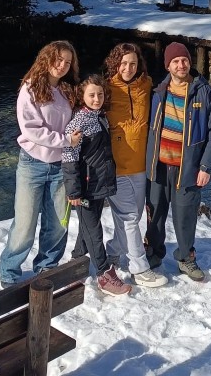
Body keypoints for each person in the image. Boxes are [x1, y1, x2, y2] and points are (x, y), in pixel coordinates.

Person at [0, 40, 79, 288]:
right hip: (32, 164)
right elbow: (31, 130)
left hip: (61, 166)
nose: (62, 65)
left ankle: (47, 268)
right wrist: (66, 141)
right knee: (24, 223)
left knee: (57, 224)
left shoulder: (68, 90)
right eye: (58, 59)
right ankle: (9, 272)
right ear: (47, 59)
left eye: (68, 62)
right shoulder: (31, 88)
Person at [145, 41, 211, 282]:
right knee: (155, 214)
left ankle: (186, 258)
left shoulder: (206, 94)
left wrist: (205, 167)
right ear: (167, 66)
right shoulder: (157, 92)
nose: (181, 65)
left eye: (184, 60)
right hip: (158, 166)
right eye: (175, 61)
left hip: (187, 169)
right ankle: (153, 254)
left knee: (185, 217)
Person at [103, 43, 168, 288]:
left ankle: (112, 251)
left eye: (133, 63)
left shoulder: (146, 85)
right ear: (115, 64)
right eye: (123, 63)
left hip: (141, 165)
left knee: (133, 215)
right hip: (115, 166)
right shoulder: (105, 89)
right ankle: (139, 268)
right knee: (130, 217)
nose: (128, 68)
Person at [62, 75, 130, 296]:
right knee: (93, 229)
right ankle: (103, 273)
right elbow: (69, 155)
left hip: (99, 183)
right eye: (91, 95)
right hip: (85, 187)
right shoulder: (79, 121)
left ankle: (76, 262)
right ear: (82, 96)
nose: (96, 99)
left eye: (100, 94)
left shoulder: (100, 116)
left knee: (88, 225)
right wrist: (73, 190)